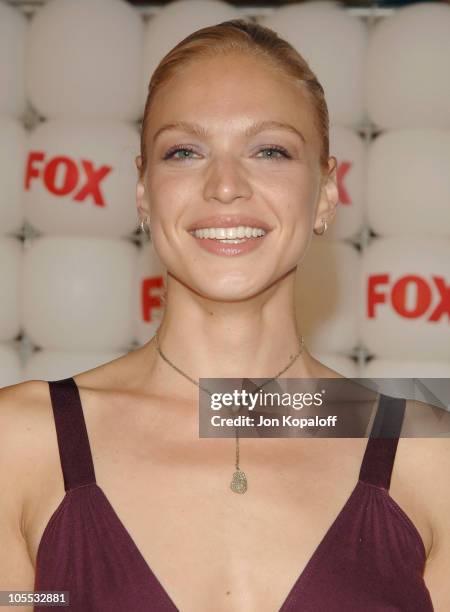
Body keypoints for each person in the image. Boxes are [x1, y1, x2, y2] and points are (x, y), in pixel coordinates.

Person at [0, 19, 448, 612]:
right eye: (184, 152)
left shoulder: (429, 454)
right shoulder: (20, 442)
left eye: (270, 150)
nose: (225, 186)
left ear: (326, 193)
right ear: (143, 191)